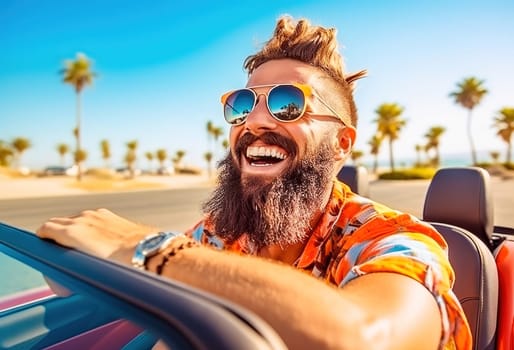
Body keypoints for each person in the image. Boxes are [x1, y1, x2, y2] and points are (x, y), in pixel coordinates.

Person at [37, 16, 472, 349]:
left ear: (341, 144)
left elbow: (366, 337)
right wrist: (76, 263)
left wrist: (146, 246)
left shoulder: (392, 239)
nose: (255, 120)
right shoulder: (219, 233)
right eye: (241, 104)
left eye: (288, 103)